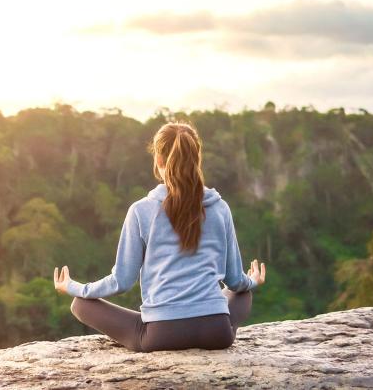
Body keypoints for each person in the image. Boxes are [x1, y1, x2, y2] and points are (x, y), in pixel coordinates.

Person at [52, 122, 266, 353]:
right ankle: (224, 324)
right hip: (216, 332)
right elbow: (235, 281)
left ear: (159, 160)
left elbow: (122, 281)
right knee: (243, 294)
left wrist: (75, 287)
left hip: (161, 336)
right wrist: (253, 280)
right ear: (197, 159)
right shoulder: (220, 207)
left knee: (80, 305)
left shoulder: (141, 210)